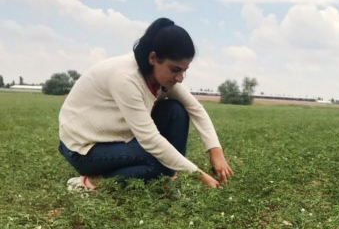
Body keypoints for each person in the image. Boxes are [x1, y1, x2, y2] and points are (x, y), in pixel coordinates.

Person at [58, 18, 233, 190]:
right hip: (83, 149)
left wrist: (215, 152)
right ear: (153, 58)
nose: (180, 78)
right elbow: (150, 140)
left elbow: (195, 109)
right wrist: (199, 175)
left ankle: (167, 175)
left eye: (184, 70)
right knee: (157, 161)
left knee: (176, 110)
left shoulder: (160, 78)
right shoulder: (126, 78)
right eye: (175, 70)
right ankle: (90, 182)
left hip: (114, 138)